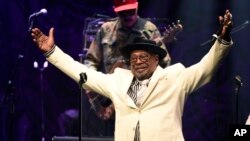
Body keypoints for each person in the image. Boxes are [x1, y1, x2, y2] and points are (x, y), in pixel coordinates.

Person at [31, 9, 233, 141]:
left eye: (144, 57)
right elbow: (81, 72)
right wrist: (52, 52)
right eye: (134, 58)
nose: (138, 61)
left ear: (156, 59)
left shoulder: (174, 78)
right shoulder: (118, 81)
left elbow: (205, 68)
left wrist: (222, 41)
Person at [84, 0, 182, 120]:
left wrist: (151, 62)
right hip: (111, 93)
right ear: (116, 11)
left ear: (137, 8)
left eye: (131, 11)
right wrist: (94, 83)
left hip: (140, 96)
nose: (128, 16)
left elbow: (165, 63)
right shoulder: (106, 29)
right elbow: (90, 60)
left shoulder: (149, 30)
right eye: (123, 13)